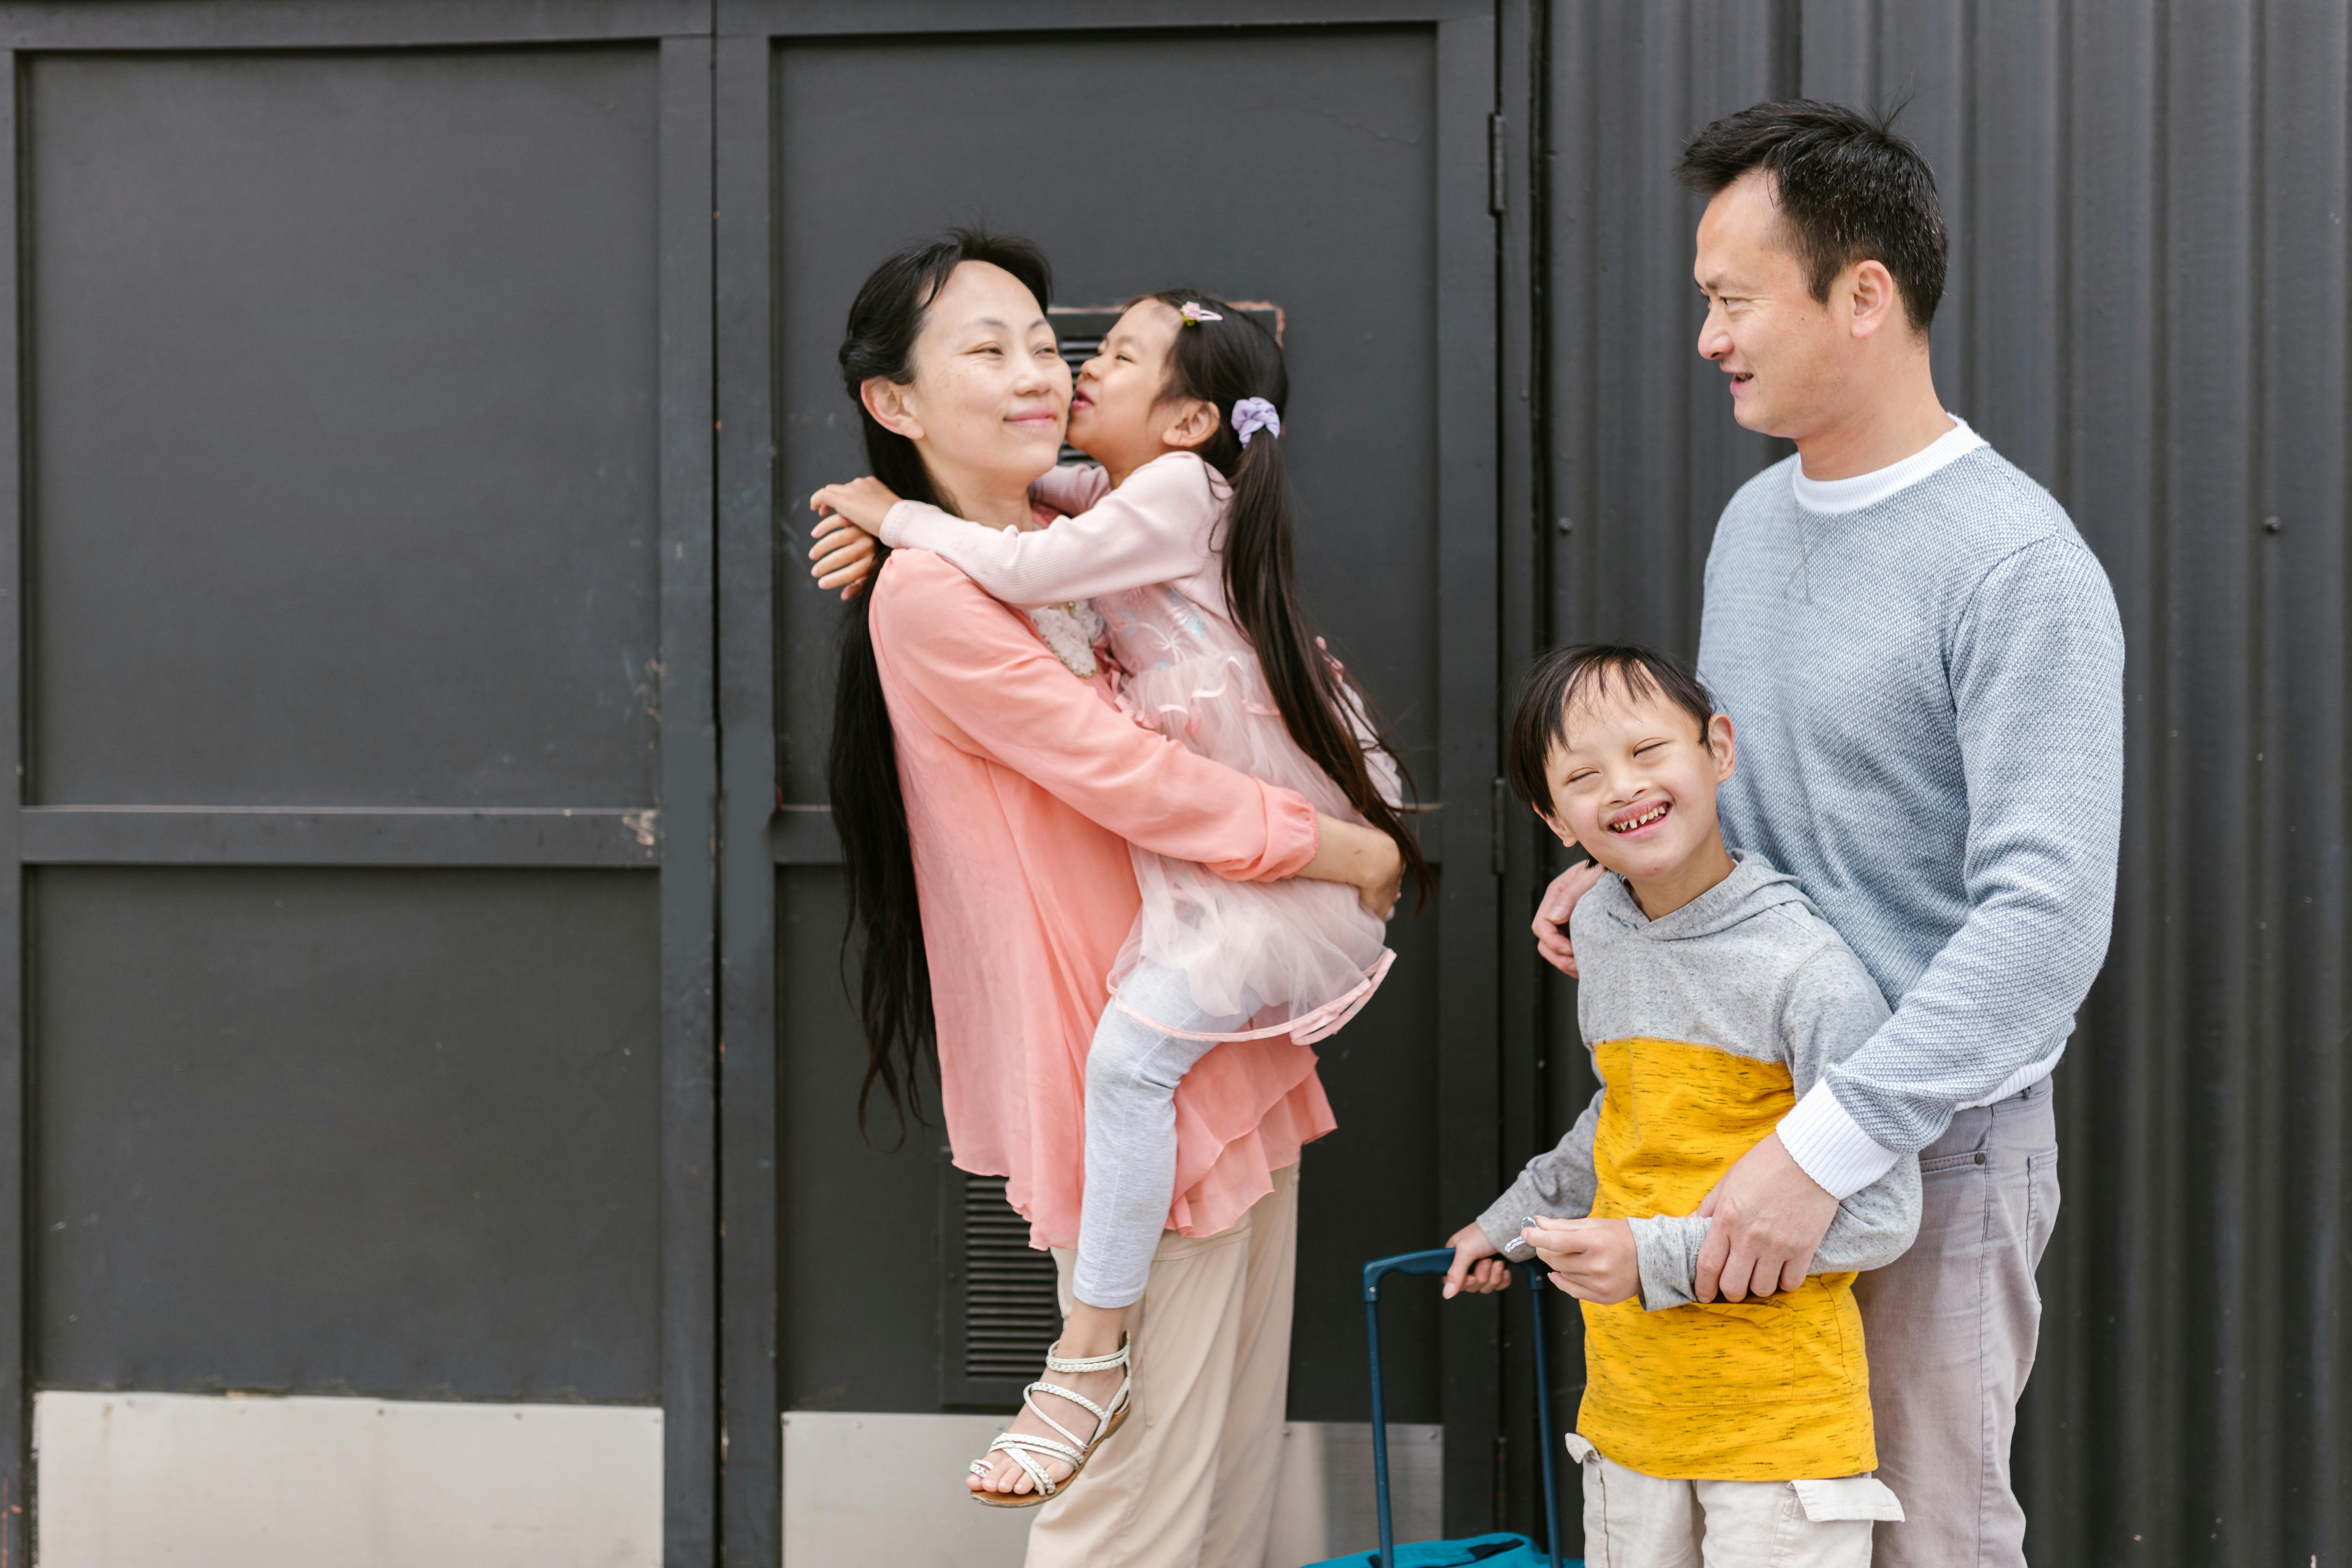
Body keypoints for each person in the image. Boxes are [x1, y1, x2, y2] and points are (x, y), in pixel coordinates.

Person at [1528, 103, 2124, 1567]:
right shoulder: (1754, 523)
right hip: (1727, 1123)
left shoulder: (2016, 564)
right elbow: (1766, 805)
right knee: (1734, 1516)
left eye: (1732, 300)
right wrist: (1624, 867)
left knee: (1927, 1532)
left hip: (1926, 1143)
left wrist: (1826, 1144)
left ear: (1863, 296)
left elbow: (2046, 925)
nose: (1709, 337)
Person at [811, 231, 1403, 1564]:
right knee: (1136, 1511)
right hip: (1130, 1045)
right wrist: (1339, 848)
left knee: (1222, 1473)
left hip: (1211, 1028)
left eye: (1045, 344)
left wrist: (884, 510)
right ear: (892, 404)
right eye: (987, 348)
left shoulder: (1061, 527)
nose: (1039, 373)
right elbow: (1123, 775)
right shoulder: (937, 591)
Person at [1444, 643, 1916, 1566]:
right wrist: (1508, 1222)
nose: (1622, 788)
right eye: (1582, 775)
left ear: (1718, 751)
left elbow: (1882, 1216)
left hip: (1779, 1442)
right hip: (1629, 1421)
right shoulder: (1600, 927)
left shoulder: (1807, 972)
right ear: (1552, 815)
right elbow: (1624, 1111)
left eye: (1648, 751)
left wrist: (1649, 1256)